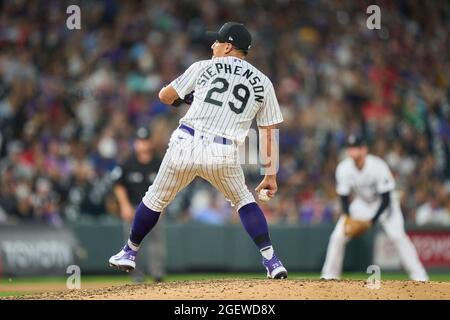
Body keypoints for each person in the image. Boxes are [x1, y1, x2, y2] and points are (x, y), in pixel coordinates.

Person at [109, 21, 288, 279]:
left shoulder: (203, 66)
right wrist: (270, 175)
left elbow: (164, 96)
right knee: (243, 201)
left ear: (228, 47)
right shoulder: (263, 82)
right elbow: (269, 131)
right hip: (222, 151)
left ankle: (129, 251)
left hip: (185, 143)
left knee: (155, 199)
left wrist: (188, 98)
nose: (213, 45)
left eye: (217, 41)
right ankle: (272, 261)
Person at [321, 134, 428, 281]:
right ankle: (329, 275)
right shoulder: (344, 168)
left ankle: (419, 275)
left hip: (385, 204)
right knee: (338, 236)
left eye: (356, 147)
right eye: (351, 148)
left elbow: (385, 199)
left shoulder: (378, 166)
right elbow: (344, 198)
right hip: (362, 203)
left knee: (398, 236)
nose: (353, 151)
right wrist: (347, 217)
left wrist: (372, 221)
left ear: (364, 149)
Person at [111, 127, 166, 282]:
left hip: (154, 207)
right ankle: (137, 276)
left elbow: (168, 184)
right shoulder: (128, 161)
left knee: (156, 242)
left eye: (145, 140)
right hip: (132, 207)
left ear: (150, 143)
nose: (142, 144)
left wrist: (163, 205)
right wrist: (124, 205)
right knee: (133, 242)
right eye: (140, 141)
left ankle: (157, 273)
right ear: (135, 143)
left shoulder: (158, 162)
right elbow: (118, 184)